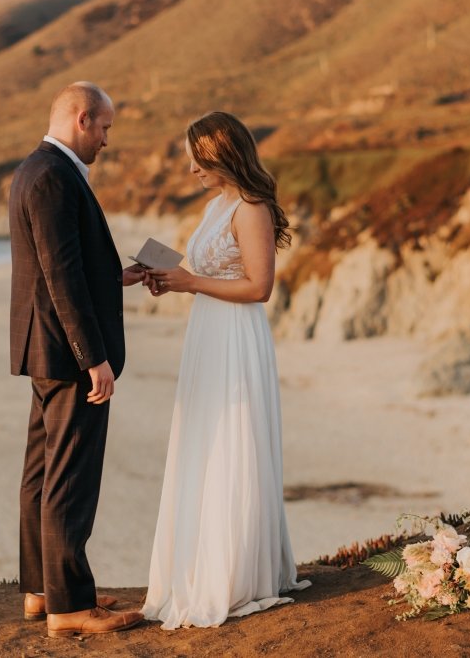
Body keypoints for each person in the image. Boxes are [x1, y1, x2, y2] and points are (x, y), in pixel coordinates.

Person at [141, 111, 311, 629]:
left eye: (199, 158)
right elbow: (207, 273)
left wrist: (190, 283)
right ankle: (199, 564)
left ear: (223, 154)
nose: (192, 169)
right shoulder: (216, 205)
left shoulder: (252, 208)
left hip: (237, 335)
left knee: (233, 441)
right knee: (203, 439)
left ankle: (235, 572)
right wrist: (171, 278)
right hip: (207, 334)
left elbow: (259, 287)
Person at [8, 81, 147, 638]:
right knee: (70, 478)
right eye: (105, 128)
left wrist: (119, 276)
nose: (107, 140)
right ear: (82, 118)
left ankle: (43, 591)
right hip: (68, 354)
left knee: (42, 472)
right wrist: (94, 358)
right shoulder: (53, 177)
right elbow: (60, 275)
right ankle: (68, 608)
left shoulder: (36, 170)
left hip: (46, 348)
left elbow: (66, 264)